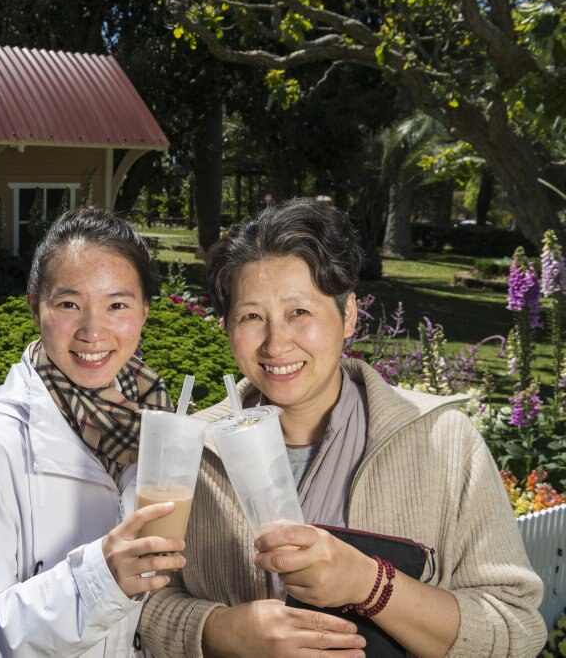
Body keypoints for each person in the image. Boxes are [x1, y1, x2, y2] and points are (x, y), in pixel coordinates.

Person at [139, 199, 545, 657]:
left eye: (300, 312)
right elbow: (138, 604)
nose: (276, 343)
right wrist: (217, 629)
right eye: (252, 316)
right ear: (228, 326)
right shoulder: (191, 451)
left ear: (348, 313)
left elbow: (516, 633)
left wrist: (371, 585)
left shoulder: (443, 440)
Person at [0, 206, 186, 656]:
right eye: (69, 304)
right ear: (35, 308)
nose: (92, 330)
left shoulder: (161, 433)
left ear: (144, 312)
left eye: (117, 305)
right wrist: (97, 582)